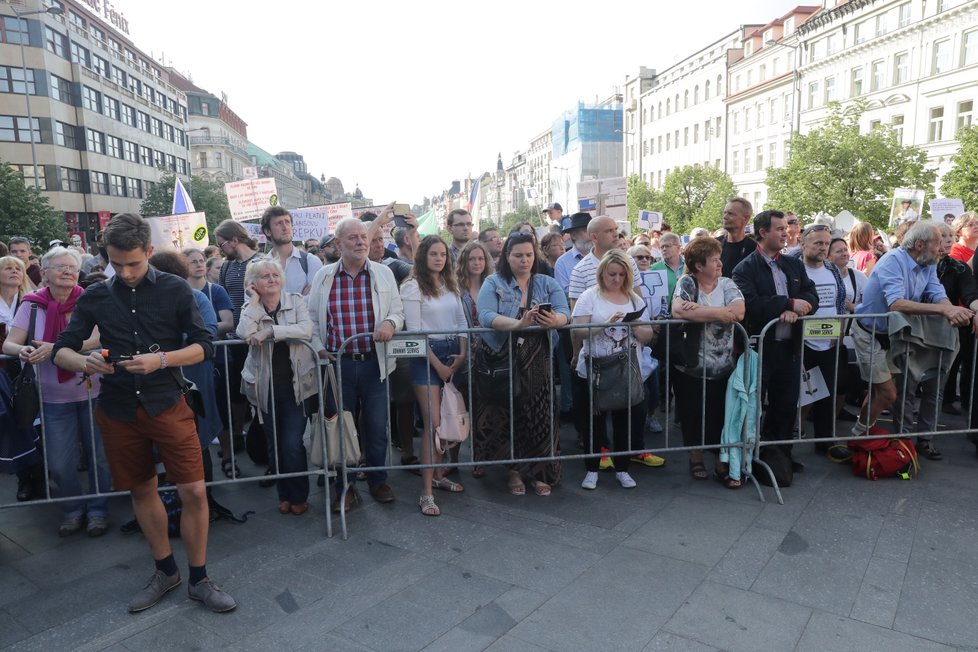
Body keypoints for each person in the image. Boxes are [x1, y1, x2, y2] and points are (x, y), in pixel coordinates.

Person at [52, 213, 235, 613]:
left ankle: (200, 578)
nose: (125, 272)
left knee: (194, 491)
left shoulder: (174, 288)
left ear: (149, 252)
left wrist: (163, 360)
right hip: (118, 408)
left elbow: (205, 344)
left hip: (168, 402)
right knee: (141, 489)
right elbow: (62, 347)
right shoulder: (95, 294)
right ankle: (166, 571)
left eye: (133, 263)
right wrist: (84, 363)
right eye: (116, 264)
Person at [4, 247, 112, 535]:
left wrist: (60, 348)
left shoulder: (90, 299)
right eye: (61, 267)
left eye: (72, 267)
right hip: (52, 398)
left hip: (94, 392)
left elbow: (98, 338)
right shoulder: (33, 304)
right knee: (60, 464)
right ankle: (73, 509)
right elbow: (9, 344)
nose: (68, 272)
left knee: (99, 457)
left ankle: (99, 509)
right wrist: (24, 350)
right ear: (46, 273)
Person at [309, 217, 405, 513]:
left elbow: (398, 311)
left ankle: (378, 480)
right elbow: (312, 320)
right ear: (338, 245)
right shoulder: (324, 277)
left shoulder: (383, 274)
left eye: (363, 236)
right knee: (340, 429)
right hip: (338, 366)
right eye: (353, 238)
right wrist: (319, 348)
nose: (361, 242)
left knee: (376, 426)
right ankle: (345, 486)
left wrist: (390, 322)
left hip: (374, 363)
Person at [850, 222, 974, 452]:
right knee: (888, 394)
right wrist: (945, 311)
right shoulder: (892, 261)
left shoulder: (926, 262)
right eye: (938, 243)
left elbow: (936, 293)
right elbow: (896, 303)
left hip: (892, 336)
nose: (942, 248)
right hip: (870, 334)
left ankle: (865, 435)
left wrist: (952, 310)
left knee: (880, 392)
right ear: (919, 244)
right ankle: (857, 436)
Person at [476, 232, 569, 496]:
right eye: (518, 255)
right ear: (507, 256)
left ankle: (540, 472)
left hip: (539, 359)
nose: (524, 260)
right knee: (507, 417)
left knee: (539, 416)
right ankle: (514, 471)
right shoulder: (493, 282)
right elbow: (485, 315)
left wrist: (556, 321)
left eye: (529, 255)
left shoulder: (546, 282)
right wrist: (519, 324)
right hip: (502, 358)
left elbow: (565, 311)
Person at [733, 210, 818, 483]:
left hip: (789, 347)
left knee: (785, 405)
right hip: (760, 348)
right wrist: (787, 304)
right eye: (779, 228)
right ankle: (750, 457)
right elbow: (750, 303)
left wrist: (799, 308)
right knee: (754, 405)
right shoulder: (745, 268)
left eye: (786, 228)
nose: (786, 232)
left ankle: (781, 455)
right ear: (762, 233)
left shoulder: (793, 264)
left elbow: (810, 294)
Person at [237, 258, 316, 515]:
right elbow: (243, 332)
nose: (272, 279)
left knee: (292, 443)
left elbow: (305, 330)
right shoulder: (250, 307)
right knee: (275, 444)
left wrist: (271, 332)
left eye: (275, 275)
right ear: (253, 284)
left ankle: (299, 494)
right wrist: (255, 302)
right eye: (265, 276)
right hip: (264, 387)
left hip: (296, 386)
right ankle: (285, 493)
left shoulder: (296, 301)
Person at [572, 250, 655, 490]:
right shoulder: (589, 296)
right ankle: (591, 470)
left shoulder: (634, 300)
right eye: (611, 274)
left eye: (621, 274)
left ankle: (622, 469)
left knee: (625, 423)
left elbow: (648, 335)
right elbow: (577, 332)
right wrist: (605, 325)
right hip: (595, 370)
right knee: (594, 425)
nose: (616, 279)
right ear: (602, 273)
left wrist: (635, 326)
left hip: (627, 370)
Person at [400, 236, 468, 516]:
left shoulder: (451, 284)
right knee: (434, 425)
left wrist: (462, 353)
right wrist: (438, 364)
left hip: (453, 352)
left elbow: (462, 321)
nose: (440, 258)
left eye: (443, 254)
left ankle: (438, 476)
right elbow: (415, 332)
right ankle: (426, 492)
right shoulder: (412, 286)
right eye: (433, 254)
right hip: (426, 356)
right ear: (423, 256)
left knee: (449, 418)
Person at [670, 237, 745, 487]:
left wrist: (701, 312)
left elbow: (739, 311)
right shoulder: (687, 281)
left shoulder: (727, 283)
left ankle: (721, 463)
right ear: (699, 265)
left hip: (723, 364)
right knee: (692, 413)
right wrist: (718, 313)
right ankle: (695, 457)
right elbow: (679, 309)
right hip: (690, 364)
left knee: (721, 415)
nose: (720, 263)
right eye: (713, 260)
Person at [151, 250, 224, 481]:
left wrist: (170, 346)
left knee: (198, 434)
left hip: (192, 378)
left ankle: (205, 496)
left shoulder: (197, 298)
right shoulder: (145, 303)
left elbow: (208, 333)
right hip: (158, 381)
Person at [213, 219, 261, 476]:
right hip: (234, 339)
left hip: (257, 337)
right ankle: (238, 434)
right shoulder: (227, 266)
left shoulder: (260, 261)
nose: (220, 250)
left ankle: (261, 436)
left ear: (234, 240)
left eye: (222, 244)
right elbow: (223, 296)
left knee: (260, 388)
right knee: (237, 390)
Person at [796, 225, 848, 451]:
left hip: (829, 340)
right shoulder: (794, 268)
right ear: (803, 243)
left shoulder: (832, 269)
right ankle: (792, 436)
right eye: (818, 243)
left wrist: (839, 332)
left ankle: (824, 441)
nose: (823, 248)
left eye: (826, 244)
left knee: (828, 392)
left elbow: (839, 302)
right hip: (801, 341)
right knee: (801, 392)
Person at [259, 206, 323, 295]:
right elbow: (254, 304)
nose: (285, 227)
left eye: (287, 222)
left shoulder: (310, 262)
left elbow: (315, 301)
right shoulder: (258, 267)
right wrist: (299, 298)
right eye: (279, 223)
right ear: (267, 231)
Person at [554, 212, 593, 295]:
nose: (592, 236)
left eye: (593, 231)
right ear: (574, 235)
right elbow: (564, 294)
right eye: (587, 231)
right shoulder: (562, 263)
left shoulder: (603, 256)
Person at [718, 198, 757, 279]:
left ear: (746, 218)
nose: (725, 217)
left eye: (731, 214)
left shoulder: (755, 250)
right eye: (725, 213)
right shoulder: (713, 245)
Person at [649, 233, 685, 307]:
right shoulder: (653, 269)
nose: (664, 249)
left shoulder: (690, 266)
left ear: (678, 248)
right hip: (665, 316)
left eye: (668, 246)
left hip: (688, 313)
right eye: (662, 247)